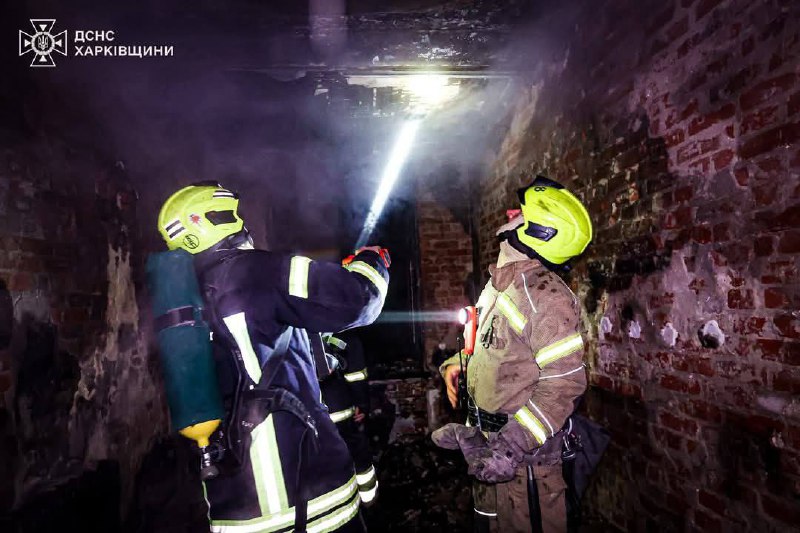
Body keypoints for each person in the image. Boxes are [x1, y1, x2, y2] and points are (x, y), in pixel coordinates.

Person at [156, 182, 390, 533]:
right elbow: (356, 299)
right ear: (218, 217)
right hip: (307, 501)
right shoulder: (258, 271)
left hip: (233, 511)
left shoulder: (189, 305)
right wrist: (372, 261)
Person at [432, 176, 593, 533]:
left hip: (524, 468)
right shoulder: (500, 284)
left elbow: (564, 385)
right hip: (487, 455)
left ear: (540, 232)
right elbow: (490, 347)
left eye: (521, 213)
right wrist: (454, 367)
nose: (510, 212)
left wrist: (509, 448)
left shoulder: (546, 297)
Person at [320, 332, 378, 506]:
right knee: (359, 459)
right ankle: (368, 504)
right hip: (341, 413)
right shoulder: (344, 336)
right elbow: (356, 375)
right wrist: (363, 405)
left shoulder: (291, 330)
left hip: (307, 417)